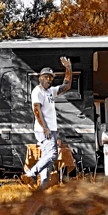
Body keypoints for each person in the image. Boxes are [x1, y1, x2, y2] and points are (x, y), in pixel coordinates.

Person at [22, 56, 72, 190]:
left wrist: (68, 68)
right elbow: (36, 110)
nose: (49, 79)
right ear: (40, 78)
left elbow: (66, 86)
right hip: (44, 129)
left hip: (51, 129)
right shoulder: (37, 91)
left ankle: (42, 188)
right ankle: (30, 174)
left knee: (47, 159)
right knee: (53, 154)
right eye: (46, 77)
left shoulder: (50, 91)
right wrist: (45, 128)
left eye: (51, 77)